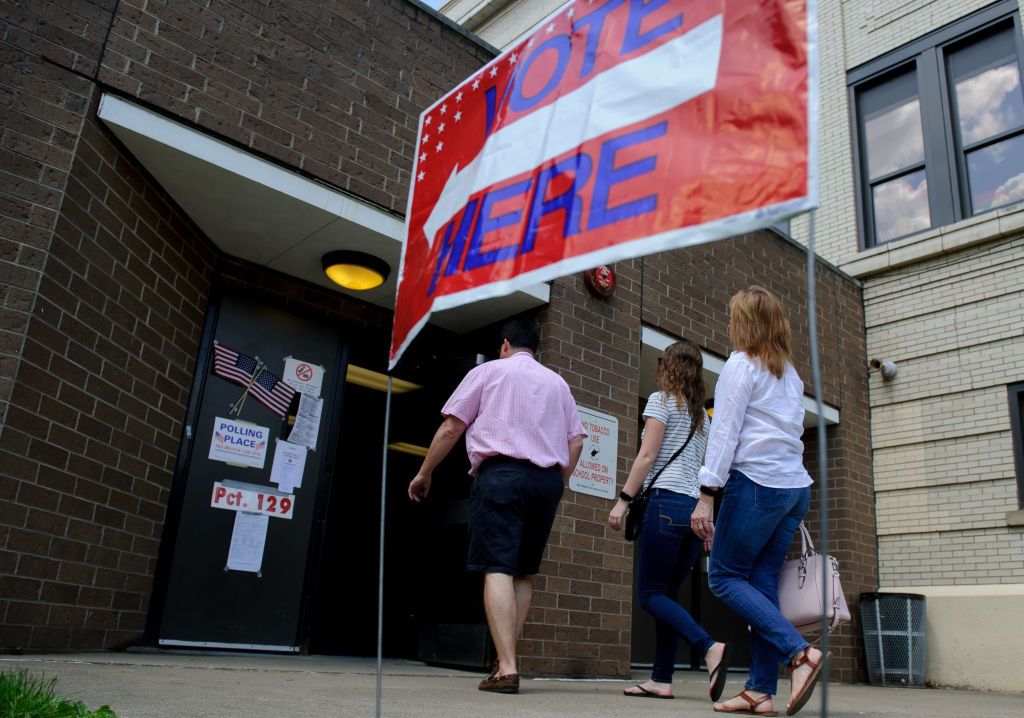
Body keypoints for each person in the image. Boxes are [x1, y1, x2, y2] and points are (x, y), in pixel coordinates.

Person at [408, 318, 586, 695]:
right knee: (522, 572)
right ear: (534, 348)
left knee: (497, 565)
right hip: (547, 480)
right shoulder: (558, 384)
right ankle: (506, 659)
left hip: (502, 474)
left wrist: (425, 472)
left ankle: (506, 668)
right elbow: (577, 442)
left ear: (504, 345)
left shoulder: (488, 371)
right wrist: (558, 481)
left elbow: (451, 428)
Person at [690, 286, 827, 717]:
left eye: (733, 317)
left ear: (744, 322)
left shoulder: (740, 365)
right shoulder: (789, 373)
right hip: (794, 490)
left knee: (725, 577)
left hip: (758, 485)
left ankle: (799, 654)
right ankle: (760, 691)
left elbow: (724, 432)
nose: (728, 325)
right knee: (763, 585)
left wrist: (706, 495)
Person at [609, 340, 731, 701]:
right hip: (695, 512)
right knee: (667, 596)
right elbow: (708, 472)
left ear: (669, 367)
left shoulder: (661, 401)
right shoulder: (702, 419)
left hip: (665, 505)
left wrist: (623, 501)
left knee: (650, 595)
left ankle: (708, 646)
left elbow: (646, 456)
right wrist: (712, 520)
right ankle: (661, 679)